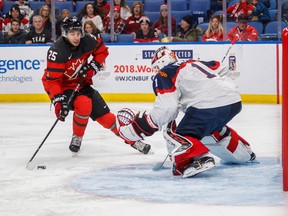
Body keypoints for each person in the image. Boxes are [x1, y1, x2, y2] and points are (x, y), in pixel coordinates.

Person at [117, 46, 256, 178]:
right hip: (233, 101)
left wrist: (143, 126)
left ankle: (199, 158)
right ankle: (244, 153)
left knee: (177, 136)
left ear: (159, 64)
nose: (156, 72)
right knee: (209, 129)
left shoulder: (164, 73)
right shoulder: (194, 63)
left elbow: (167, 109)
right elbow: (221, 67)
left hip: (208, 105)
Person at [42, 17, 151, 155]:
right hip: (63, 86)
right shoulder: (57, 51)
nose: (76, 37)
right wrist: (58, 102)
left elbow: (102, 51)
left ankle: (132, 140)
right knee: (84, 103)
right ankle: (77, 136)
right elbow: (52, 81)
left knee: (105, 116)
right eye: (72, 34)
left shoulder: (88, 40)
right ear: (64, 34)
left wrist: (92, 67)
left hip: (81, 84)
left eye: (78, 33)